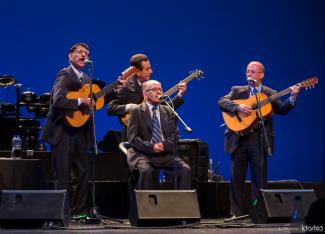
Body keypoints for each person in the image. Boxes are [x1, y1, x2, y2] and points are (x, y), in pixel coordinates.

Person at [217, 61, 300, 218]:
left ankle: (258, 212)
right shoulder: (237, 90)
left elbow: (281, 110)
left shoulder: (269, 93)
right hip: (238, 139)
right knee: (236, 179)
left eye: (253, 71)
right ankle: (235, 213)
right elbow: (221, 102)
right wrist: (238, 108)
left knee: (259, 179)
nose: (249, 73)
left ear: (261, 75)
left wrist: (292, 97)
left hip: (258, 138)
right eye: (248, 71)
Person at [42, 43, 94, 216]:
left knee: (84, 170)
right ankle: (59, 213)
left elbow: (93, 101)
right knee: (63, 173)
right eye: (80, 52)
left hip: (78, 130)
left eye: (86, 53)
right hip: (62, 130)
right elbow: (58, 101)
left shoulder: (87, 79)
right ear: (70, 56)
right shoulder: (65, 73)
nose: (83, 55)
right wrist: (80, 102)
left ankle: (79, 211)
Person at [127, 80, 191, 189]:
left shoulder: (168, 110)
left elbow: (175, 136)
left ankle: (180, 204)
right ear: (145, 94)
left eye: (160, 89)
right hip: (144, 154)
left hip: (165, 153)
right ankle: (147, 205)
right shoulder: (136, 111)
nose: (159, 93)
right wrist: (152, 147)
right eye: (154, 90)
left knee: (185, 169)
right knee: (147, 171)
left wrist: (164, 145)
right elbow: (134, 139)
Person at [107, 54, 187, 139]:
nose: (151, 71)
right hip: (133, 135)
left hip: (152, 133)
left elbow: (164, 109)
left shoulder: (151, 86)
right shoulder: (125, 86)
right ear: (137, 71)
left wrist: (180, 94)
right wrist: (130, 107)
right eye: (147, 69)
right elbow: (111, 109)